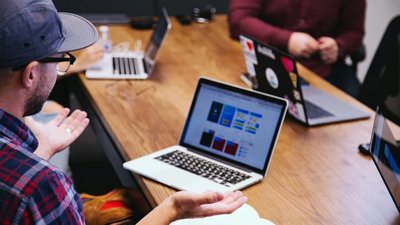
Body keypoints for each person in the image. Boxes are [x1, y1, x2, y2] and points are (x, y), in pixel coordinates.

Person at [0, 0, 247, 224]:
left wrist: (42, 150)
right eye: (60, 59)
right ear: (30, 74)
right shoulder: (43, 187)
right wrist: (172, 208)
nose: (59, 70)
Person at [228, 0, 366, 97]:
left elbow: (354, 31)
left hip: (320, 73)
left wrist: (339, 46)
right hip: (264, 60)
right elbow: (239, 20)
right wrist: (287, 40)